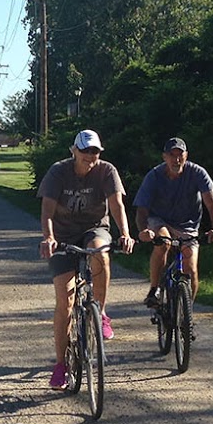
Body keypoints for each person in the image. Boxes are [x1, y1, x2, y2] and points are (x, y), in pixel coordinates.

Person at [38, 129, 135, 389]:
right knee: (65, 300)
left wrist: (125, 234)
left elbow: (116, 205)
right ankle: (61, 365)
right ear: (74, 151)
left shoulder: (107, 171)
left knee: (101, 252)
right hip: (63, 235)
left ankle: (100, 312)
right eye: (85, 151)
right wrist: (48, 238)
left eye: (95, 151)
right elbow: (47, 210)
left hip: (95, 228)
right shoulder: (58, 172)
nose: (90, 156)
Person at [133, 136, 213, 309]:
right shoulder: (154, 176)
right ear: (164, 157)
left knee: (192, 268)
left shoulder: (197, 173)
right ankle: (154, 290)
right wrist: (143, 230)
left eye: (180, 155)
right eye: (172, 155)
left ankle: (186, 312)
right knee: (164, 243)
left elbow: (212, 204)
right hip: (160, 220)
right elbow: (142, 209)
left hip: (188, 224)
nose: (176, 159)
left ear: (186, 156)